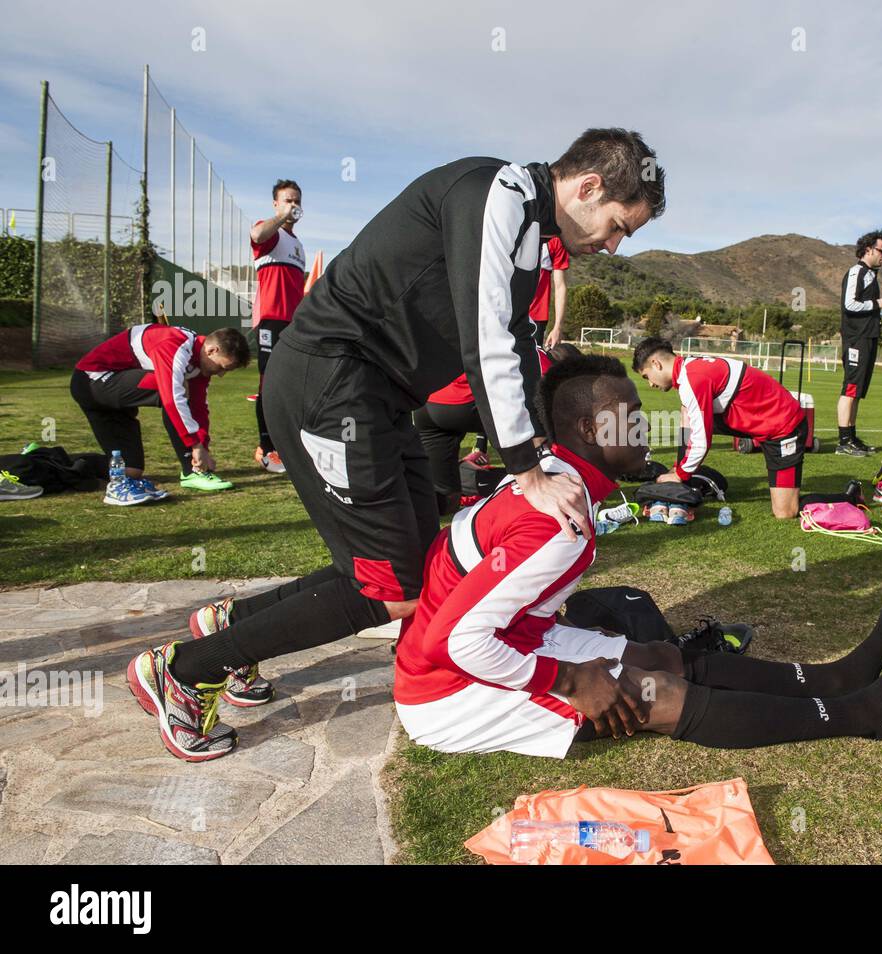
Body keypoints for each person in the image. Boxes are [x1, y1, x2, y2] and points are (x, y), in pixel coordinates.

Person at [127, 129, 666, 761]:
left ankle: (231, 626)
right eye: (617, 225)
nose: (613, 243)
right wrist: (525, 467)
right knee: (389, 589)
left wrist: (542, 446)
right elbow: (486, 333)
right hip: (332, 385)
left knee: (409, 567)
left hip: (375, 399)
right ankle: (187, 669)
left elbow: (518, 340)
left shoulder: (527, 228)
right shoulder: (500, 192)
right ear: (589, 186)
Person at [394, 354, 882, 757]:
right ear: (589, 430)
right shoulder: (558, 518)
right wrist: (570, 680)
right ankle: (861, 713)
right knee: (658, 694)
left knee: (658, 656)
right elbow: (457, 640)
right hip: (445, 689)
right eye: (629, 415)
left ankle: (835, 679)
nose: (644, 425)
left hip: (499, 639)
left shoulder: (554, 478)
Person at [633, 337, 861, 520]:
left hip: (784, 428)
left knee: (785, 512)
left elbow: (701, 440)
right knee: (687, 413)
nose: (650, 384)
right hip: (758, 422)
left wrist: (679, 474)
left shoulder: (693, 378)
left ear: (656, 364)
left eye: (647, 377)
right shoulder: (689, 369)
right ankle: (684, 480)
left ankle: (850, 497)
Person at [71, 324, 248, 505]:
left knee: (131, 470)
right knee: (175, 390)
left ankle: (61, 463)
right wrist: (194, 446)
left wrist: (203, 447)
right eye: (222, 367)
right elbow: (172, 399)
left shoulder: (198, 364)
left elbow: (199, 408)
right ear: (212, 350)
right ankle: (191, 472)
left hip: (114, 397)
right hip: (92, 381)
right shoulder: (175, 344)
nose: (221, 374)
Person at [415, 342, 581, 516]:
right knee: (544, 445)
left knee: (444, 501)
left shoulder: (532, 349)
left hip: (427, 404)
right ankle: (535, 482)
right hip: (462, 405)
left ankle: (462, 478)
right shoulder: (545, 368)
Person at [249, 179, 307, 475]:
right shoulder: (270, 231)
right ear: (276, 203)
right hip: (271, 320)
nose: (293, 205)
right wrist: (283, 217)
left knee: (289, 385)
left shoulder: (297, 245)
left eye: (297, 201)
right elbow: (257, 233)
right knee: (267, 384)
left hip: (293, 325)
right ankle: (265, 448)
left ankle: (287, 443)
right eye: (287, 200)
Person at [837, 230, 882, 457]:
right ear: (868, 249)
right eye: (881, 250)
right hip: (856, 339)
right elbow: (849, 304)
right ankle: (843, 442)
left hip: (868, 338)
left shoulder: (871, 275)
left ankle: (851, 435)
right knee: (850, 389)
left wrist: (879, 312)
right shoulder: (856, 271)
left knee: (857, 391)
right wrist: (877, 303)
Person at [531, 235, 570, 348]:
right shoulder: (514, 229)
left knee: (531, 363)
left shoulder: (556, 241)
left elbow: (560, 287)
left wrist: (558, 327)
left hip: (536, 318)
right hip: (508, 313)